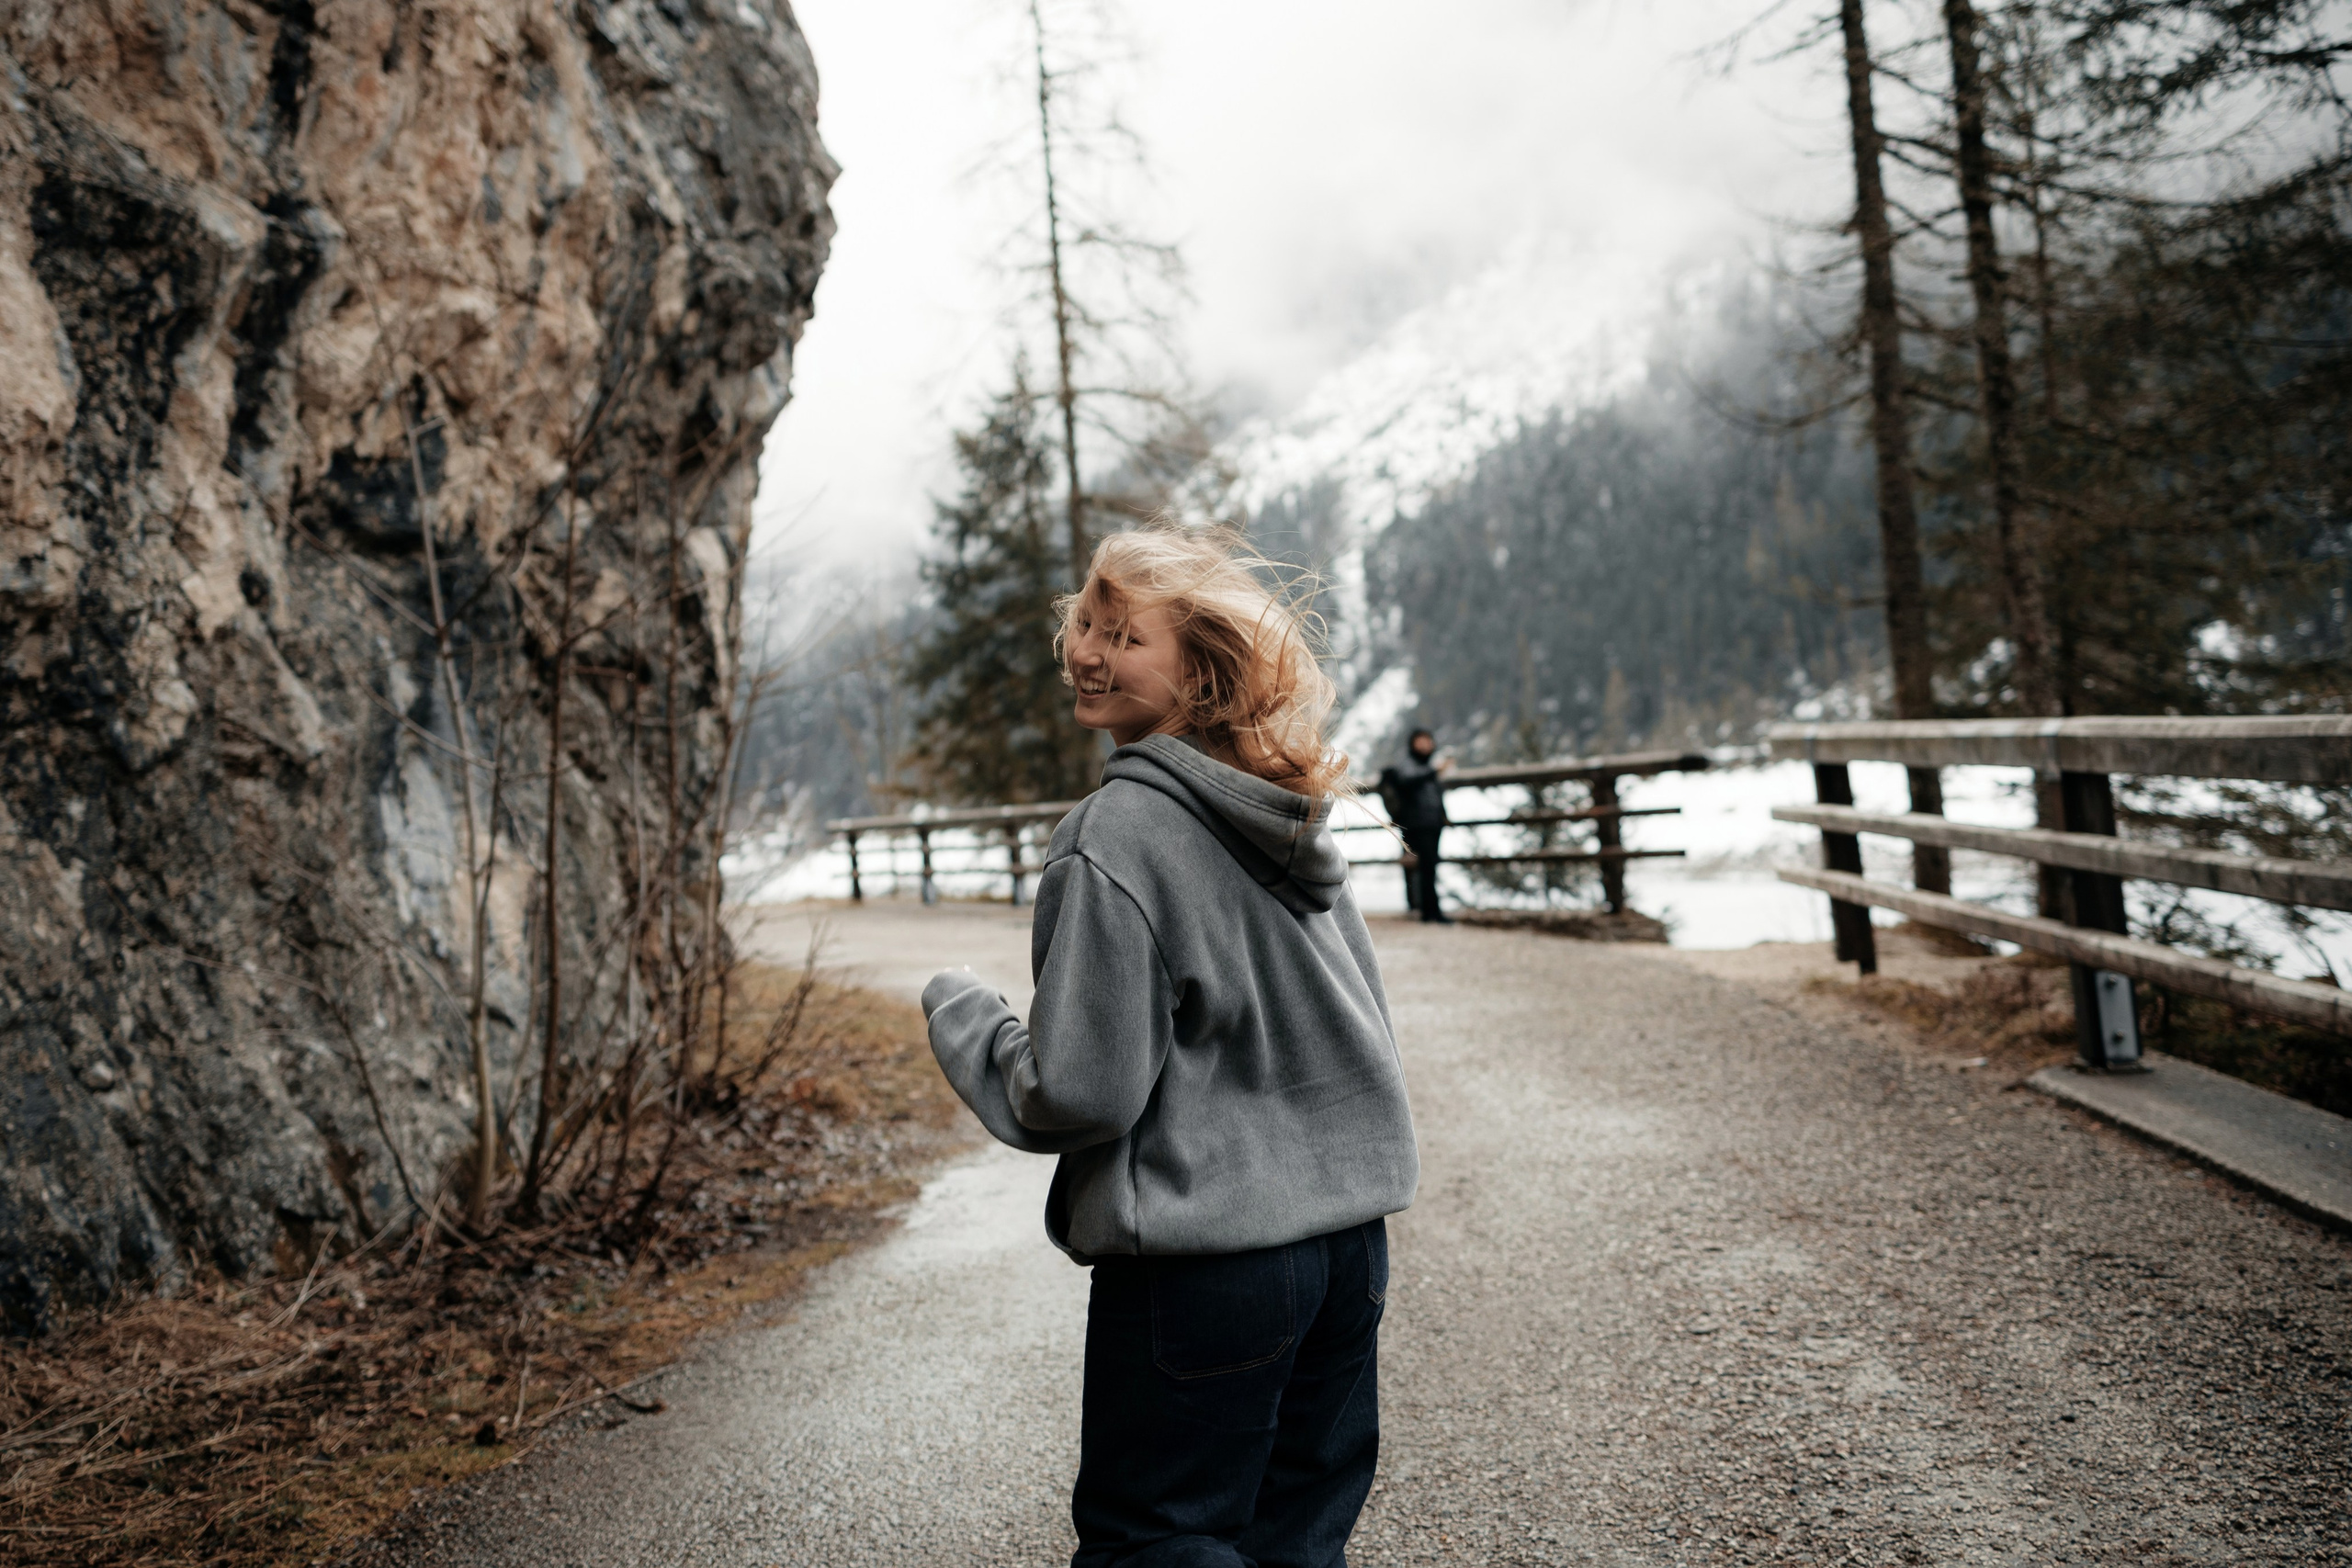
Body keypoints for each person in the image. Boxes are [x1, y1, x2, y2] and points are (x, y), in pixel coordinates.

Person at [922, 525, 1419, 1568]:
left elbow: (1082, 1094)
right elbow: (1360, 1022)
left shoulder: (1120, 833)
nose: (1087, 653)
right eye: (1087, 627)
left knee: (1156, 1540)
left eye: (1124, 637)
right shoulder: (1289, 815)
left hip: (1209, 1267)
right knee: (1295, 1540)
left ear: (1198, 673)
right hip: (1346, 1255)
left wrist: (966, 1020)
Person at [1378, 729, 1452, 923]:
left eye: (1428, 742)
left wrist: (1443, 815)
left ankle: (1428, 910)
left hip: (1431, 822)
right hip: (1417, 824)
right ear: (1412, 744)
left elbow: (1434, 795)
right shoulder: (1410, 765)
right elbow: (1407, 782)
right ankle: (1428, 912)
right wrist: (1434, 771)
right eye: (1421, 742)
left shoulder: (1425, 766)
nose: (1425, 746)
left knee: (1429, 867)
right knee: (1424, 868)